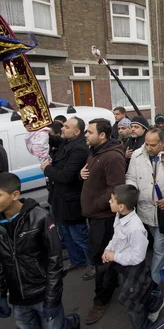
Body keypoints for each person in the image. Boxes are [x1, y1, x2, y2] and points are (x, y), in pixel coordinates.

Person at [0, 172, 81, 329]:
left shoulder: (40, 218)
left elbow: (55, 263)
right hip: (17, 299)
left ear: (14, 195)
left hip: (42, 295)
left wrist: (51, 300)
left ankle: (72, 324)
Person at [102, 184, 164, 329]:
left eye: (112, 200)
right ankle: (155, 304)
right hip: (123, 267)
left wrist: (114, 256)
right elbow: (116, 238)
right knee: (143, 293)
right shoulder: (120, 217)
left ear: (121, 206)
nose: (109, 202)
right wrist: (108, 249)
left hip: (133, 269)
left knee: (133, 303)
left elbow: (138, 256)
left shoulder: (135, 228)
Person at [126, 128, 164, 287]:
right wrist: (131, 192)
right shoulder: (137, 156)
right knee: (163, 240)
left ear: (163, 142)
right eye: (146, 144)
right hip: (144, 210)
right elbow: (131, 177)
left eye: (153, 145)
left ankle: (153, 284)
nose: (148, 148)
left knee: (159, 251)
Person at [80, 118, 126, 324]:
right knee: (103, 258)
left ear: (102, 135)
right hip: (95, 216)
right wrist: (82, 173)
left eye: (89, 132)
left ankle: (100, 301)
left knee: (102, 259)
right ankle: (112, 284)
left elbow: (115, 187)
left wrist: (97, 204)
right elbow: (94, 175)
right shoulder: (95, 151)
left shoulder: (112, 157)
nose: (86, 135)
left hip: (103, 218)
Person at [41, 117, 94, 279]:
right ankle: (77, 261)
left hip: (71, 202)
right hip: (60, 199)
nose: (62, 129)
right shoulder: (67, 141)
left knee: (80, 236)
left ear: (76, 132)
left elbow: (66, 176)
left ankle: (93, 264)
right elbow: (53, 139)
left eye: (66, 126)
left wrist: (47, 169)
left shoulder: (79, 149)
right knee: (66, 233)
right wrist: (37, 131)